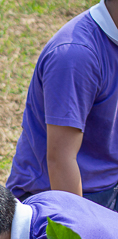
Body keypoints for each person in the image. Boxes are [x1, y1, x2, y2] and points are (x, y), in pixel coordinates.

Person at [6, 0, 118, 209]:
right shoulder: (76, 56)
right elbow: (60, 160)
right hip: (61, 199)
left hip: (109, 185)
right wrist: (80, 235)